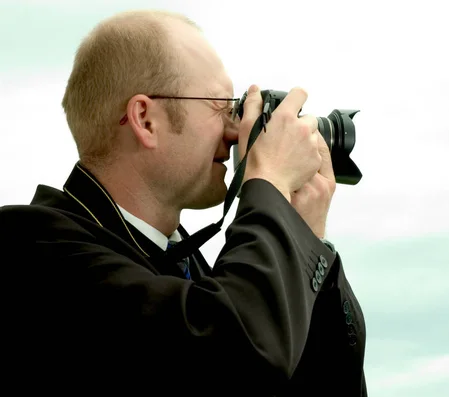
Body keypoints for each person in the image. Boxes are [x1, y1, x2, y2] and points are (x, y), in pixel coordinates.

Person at [0, 9, 367, 396]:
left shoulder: (190, 268)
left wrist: (305, 239)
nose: (234, 131)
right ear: (145, 119)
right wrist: (269, 184)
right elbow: (233, 359)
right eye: (221, 105)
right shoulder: (26, 248)